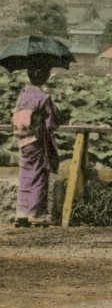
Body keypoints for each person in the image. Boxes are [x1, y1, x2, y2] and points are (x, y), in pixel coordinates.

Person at [11, 60, 61, 228]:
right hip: (38, 141)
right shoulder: (43, 97)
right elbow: (52, 123)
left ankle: (21, 214)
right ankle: (35, 213)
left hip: (23, 140)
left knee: (25, 174)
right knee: (39, 175)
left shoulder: (22, 96)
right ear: (44, 76)